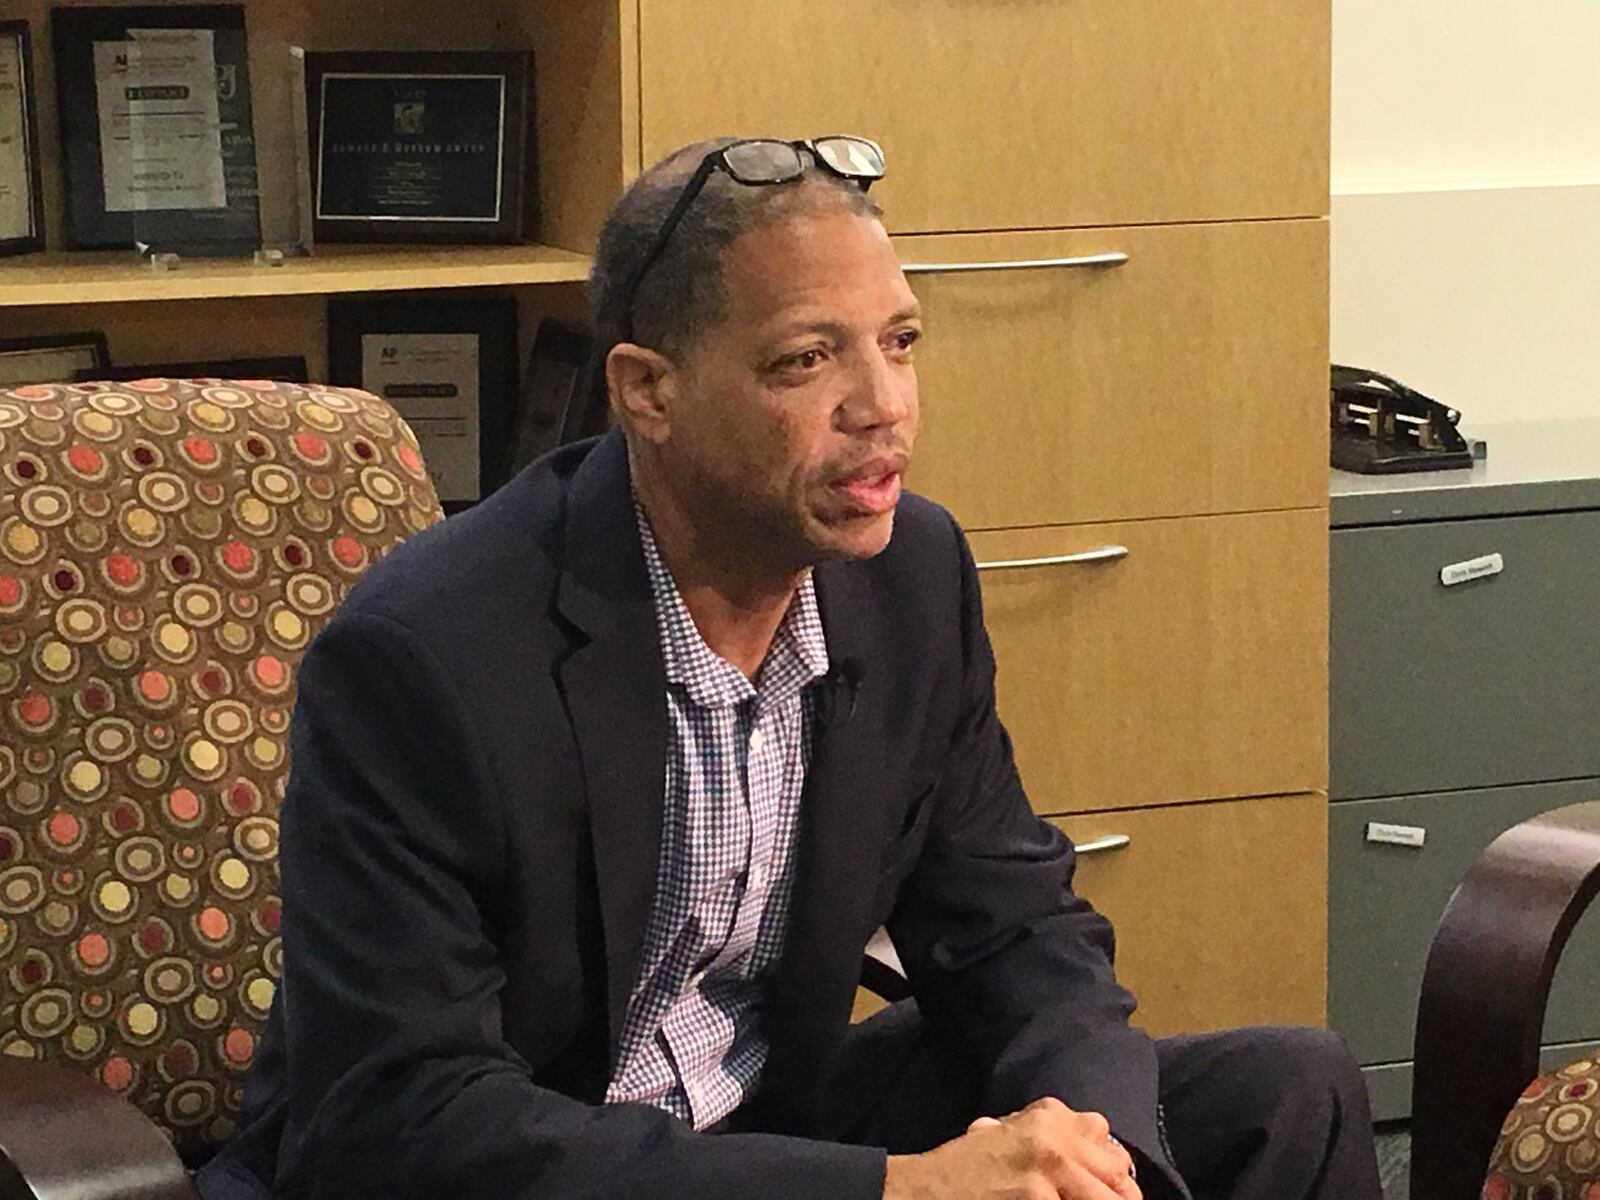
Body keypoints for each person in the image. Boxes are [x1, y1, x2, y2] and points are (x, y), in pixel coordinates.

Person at [199, 136, 1383, 1200]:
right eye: (805, 362)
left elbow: (1015, 929)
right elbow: (406, 1121)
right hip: (542, 1168)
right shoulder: (429, 656)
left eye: (901, 344)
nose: (883, 408)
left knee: (1288, 1090)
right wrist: (897, 1192)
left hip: (780, 1125)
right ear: (647, 391)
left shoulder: (910, 574)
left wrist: (1094, 1154)